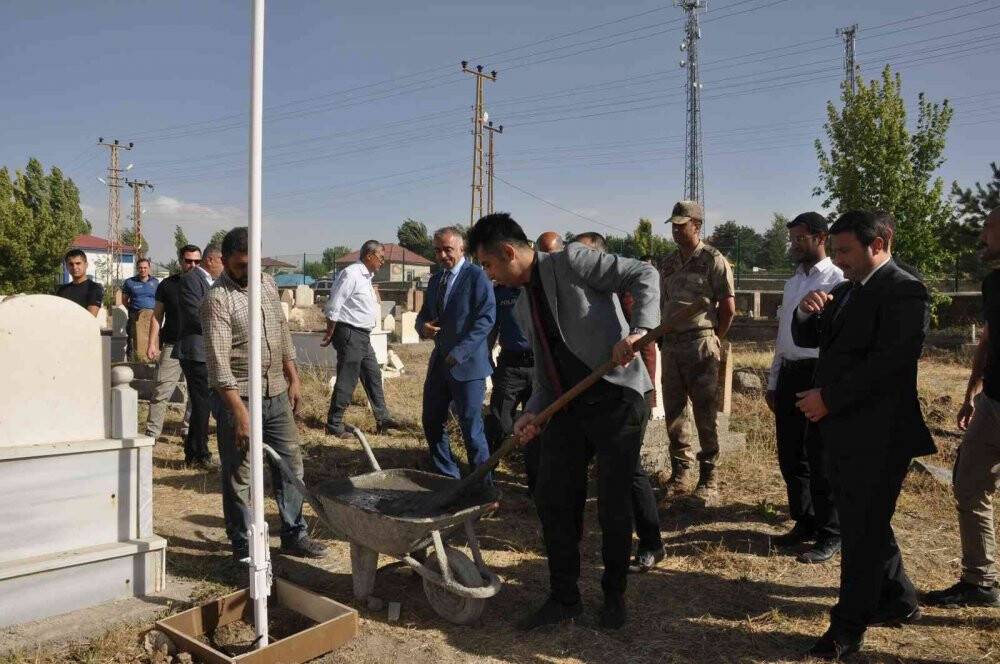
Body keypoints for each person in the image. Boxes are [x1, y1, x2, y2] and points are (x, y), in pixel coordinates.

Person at [467, 212, 659, 630]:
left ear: (508, 251)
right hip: (568, 408)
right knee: (554, 496)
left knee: (613, 504)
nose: (489, 275)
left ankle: (613, 596)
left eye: (488, 265)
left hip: (615, 397)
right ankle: (564, 597)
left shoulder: (572, 260)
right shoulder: (522, 300)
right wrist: (532, 411)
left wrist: (638, 330)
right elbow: (547, 372)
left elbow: (644, 274)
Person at [792, 209, 934, 660]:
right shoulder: (848, 290)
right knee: (866, 521)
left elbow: (888, 365)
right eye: (835, 251)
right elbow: (817, 337)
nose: (840, 260)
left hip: (881, 435)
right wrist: (804, 309)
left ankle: (847, 630)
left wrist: (829, 398)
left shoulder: (905, 292)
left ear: (880, 243)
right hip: (845, 432)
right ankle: (899, 599)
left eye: (847, 251)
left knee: (861, 532)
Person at [202, 227, 327, 563]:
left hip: (276, 392)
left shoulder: (268, 284)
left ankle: (293, 533)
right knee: (240, 473)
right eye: (241, 265)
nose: (248, 271)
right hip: (239, 398)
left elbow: (281, 331)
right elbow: (218, 365)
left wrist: (293, 376)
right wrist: (239, 414)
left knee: (290, 465)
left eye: (252, 263)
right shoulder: (217, 300)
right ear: (226, 262)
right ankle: (243, 544)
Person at [571, 231, 664, 574]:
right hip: (591, 396)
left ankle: (652, 542)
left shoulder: (619, 293)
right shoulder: (578, 295)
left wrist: (650, 392)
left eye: (583, 255)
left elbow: (646, 344)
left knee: (629, 472)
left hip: (627, 393)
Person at [924, 207, 1000, 609]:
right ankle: (980, 582)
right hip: (992, 404)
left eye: (989, 227)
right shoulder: (993, 284)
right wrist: (972, 392)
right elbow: (987, 341)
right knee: (969, 484)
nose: (982, 236)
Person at [766, 212, 844, 564]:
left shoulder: (837, 279)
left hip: (818, 374)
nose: (794, 245)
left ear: (820, 237)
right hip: (790, 374)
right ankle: (805, 521)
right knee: (791, 454)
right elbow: (784, 337)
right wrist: (773, 379)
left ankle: (831, 532)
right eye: (792, 239)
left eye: (800, 239)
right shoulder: (793, 281)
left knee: (821, 456)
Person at [657, 200, 736, 506]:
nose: (677, 231)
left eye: (682, 225)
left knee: (705, 413)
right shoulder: (667, 263)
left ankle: (709, 480)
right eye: (674, 226)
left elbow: (728, 309)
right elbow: (664, 303)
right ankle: (680, 476)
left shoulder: (713, 260)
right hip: (672, 344)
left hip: (701, 341)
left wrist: (714, 338)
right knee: (674, 412)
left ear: (697, 225)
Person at [415, 227, 496, 480]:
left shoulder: (476, 277)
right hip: (440, 363)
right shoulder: (436, 280)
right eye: (438, 250)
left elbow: (486, 318)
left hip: (468, 365)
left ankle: (483, 487)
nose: (442, 255)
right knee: (432, 420)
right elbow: (424, 316)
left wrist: (460, 352)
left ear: (461, 249)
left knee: (471, 429)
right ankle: (447, 477)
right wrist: (423, 328)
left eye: (448, 249)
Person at [321, 240, 403, 438]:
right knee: (347, 378)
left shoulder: (366, 277)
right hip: (350, 332)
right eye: (381, 257)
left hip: (362, 336)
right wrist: (330, 331)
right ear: (369, 255)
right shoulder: (352, 274)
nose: (383, 261)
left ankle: (383, 420)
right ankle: (334, 424)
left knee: (373, 375)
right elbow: (334, 303)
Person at [174, 244, 224, 470]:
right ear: (212, 260)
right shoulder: (191, 280)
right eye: (223, 262)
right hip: (195, 352)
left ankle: (194, 452)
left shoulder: (215, 282)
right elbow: (196, 315)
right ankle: (199, 453)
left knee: (201, 403)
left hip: (208, 351)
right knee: (202, 403)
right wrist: (224, 328)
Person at [145, 245, 201, 439]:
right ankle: (152, 434)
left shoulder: (206, 284)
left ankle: (188, 430)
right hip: (172, 345)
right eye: (188, 261)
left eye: (197, 261)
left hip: (197, 347)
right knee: (161, 391)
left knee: (196, 394)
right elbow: (157, 316)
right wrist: (152, 343)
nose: (193, 265)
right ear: (180, 261)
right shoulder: (168, 285)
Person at [484, 280, 534, 481]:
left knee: (536, 427)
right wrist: (488, 360)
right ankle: (486, 476)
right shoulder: (500, 292)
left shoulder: (541, 287)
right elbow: (490, 329)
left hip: (539, 367)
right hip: (510, 366)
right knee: (499, 421)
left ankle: (535, 482)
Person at [121, 257, 159, 358]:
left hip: (152, 316)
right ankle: (132, 361)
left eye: (145, 268)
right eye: (140, 268)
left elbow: (159, 300)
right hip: (135, 314)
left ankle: (152, 360)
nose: (143, 270)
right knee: (133, 339)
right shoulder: (129, 282)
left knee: (152, 338)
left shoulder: (155, 282)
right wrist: (132, 309)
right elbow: (124, 300)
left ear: (149, 268)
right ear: (137, 268)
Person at [56, 249, 103, 317]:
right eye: (71, 264)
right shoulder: (62, 290)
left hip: (83, 327)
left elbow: (90, 317)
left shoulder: (94, 288)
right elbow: (57, 314)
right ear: (66, 267)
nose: (74, 267)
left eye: (78, 263)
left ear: (86, 265)